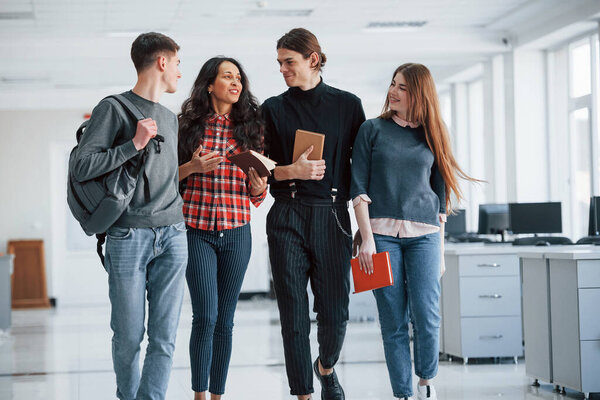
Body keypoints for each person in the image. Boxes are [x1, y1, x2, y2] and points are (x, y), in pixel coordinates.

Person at [351, 63, 476, 400]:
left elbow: (441, 197)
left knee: (427, 313)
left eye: (402, 87)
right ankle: (403, 393)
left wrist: (441, 250)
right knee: (392, 321)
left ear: (419, 93)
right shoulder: (371, 129)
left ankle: (426, 379)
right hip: (380, 235)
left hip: (425, 237)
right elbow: (358, 189)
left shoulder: (434, 132)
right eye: (393, 84)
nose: (393, 91)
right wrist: (366, 239)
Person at [73, 32, 186, 400]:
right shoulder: (113, 108)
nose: (180, 73)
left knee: (165, 337)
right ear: (162, 62)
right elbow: (83, 166)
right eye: (178, 64)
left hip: (173, 234)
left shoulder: (170, 118)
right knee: (128, 336)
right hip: (127, 236)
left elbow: (167, 178)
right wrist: (132, 145)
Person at [262, 28, 365, 400]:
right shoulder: (272, 109)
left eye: (289, 62)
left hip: (333, 216)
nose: (283, 69)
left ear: (313, 60)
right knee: (292, 312)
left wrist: (365, 225)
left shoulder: (348, 105)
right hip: (286, 215)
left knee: (335, 312)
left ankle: (326, 367)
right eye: (279, 63)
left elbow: (361, 169)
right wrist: (291, 170)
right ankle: (303, 392)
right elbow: (262, 168)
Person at [177, 57, 268, 400]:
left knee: (225, 320)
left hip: (236, 232)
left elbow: (257, 193)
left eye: (238, 78)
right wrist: (192, 166)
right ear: (209, 84)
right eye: (227, 76)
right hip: (196, 230)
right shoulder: (186, 127)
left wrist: (259, 186)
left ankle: (217, 395)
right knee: (205, 316)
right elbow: (166, 181)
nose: (235, 83)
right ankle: (199, 395)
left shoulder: (252, 128)